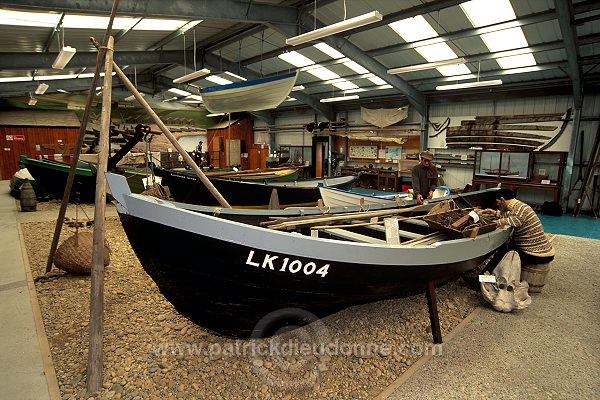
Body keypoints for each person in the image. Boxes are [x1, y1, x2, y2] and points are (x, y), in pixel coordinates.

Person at [487, 188, 555, 265]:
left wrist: (490, 223)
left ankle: (489, 274)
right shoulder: (518, 206)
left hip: (536, 253)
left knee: (502, 256)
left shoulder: (518, 211)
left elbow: (511, 220)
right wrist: (494, 213)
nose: (497, 204)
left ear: (502, 199)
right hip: (540, 249)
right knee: (508, 246)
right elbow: (509, 215)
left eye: (497, 202)